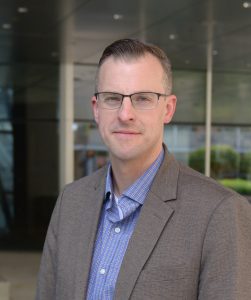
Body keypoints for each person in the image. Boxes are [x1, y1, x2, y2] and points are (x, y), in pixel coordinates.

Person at [36, 39, 251, 300]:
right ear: (96, 109)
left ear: (168, 109)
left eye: (143, 98)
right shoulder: (71, 201)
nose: (125, 114)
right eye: (113, 98)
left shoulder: (220, 212)